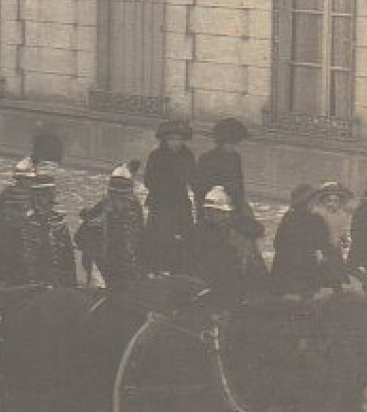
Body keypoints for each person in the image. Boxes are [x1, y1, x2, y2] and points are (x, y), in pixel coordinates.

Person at [190, 186, 269, 306]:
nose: (253, 247)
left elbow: (263, 286)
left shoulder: (254, 260)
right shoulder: (204, 236)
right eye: (249, 242)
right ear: (236, 238)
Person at [76, 163, 144, 287]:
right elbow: (80, 239)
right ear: (111, 196)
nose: (123, 204)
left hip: (130, 272)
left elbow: (141, 240)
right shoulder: (100, 212)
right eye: (119, 199)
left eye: (126, 199)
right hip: (105, 274)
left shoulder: (135, 210)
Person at [143, 119, 196, 274]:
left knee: (182, 237)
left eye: (179, 139)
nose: (176, 143)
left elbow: (193, 177)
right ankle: (156, 269)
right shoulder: (156, 156)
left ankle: (179, 270)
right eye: (172, 139)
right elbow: (148, 181)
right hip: (161, 204)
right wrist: (165, 186)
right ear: (165, 140)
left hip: (180, 204)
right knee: (160, 238)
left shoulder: (187, 156)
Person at [195, 117, 260, 239]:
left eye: (235, 143)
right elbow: (199, 187)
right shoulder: (207, 158)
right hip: (213, 209)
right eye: (229, 143)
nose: (232, 147)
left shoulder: (235, 158)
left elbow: (239, 182)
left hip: (233, 206)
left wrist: (240, 203)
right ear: (220, 142)